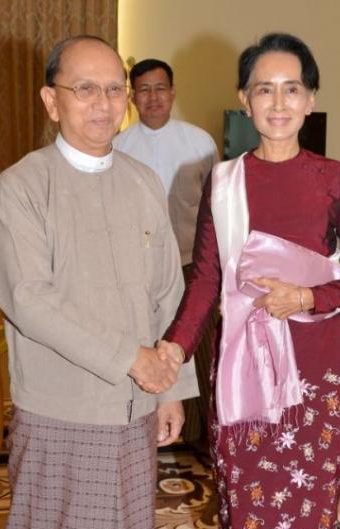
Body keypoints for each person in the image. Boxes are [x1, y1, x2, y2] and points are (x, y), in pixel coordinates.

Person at [158, 33, 340, 529]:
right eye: (264, 90)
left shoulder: (333, 178)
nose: (278, 103)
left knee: (307, 511)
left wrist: (308, 296)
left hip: (314, 370)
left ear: (310, 101)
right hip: (240, 368)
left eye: (292, 89)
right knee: (248, 509)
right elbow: (206, 279)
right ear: (244, 100)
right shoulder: (223, 182)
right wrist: (173, 349)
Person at [0, 35, 198, 529]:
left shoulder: (141, 181)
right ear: (52, 102)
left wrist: (172, 385)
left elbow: (166, 292)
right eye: (85, 89)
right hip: (62, 409)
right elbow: (31, 300)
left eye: (114, 89)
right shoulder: (22, 187)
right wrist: (132, 360)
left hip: (134, 407)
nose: (103, 104)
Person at [114, 58, 219, 444]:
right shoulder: (118, 145)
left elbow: (216, 208)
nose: (153, 97)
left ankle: (202, 439)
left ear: (173, 93)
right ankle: (148, 431)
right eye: (144, 90)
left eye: (160, 88)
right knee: (148, 346)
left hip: (192, 263)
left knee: (199, 348)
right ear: (132, 97)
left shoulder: (199, 142)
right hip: (138, 268)